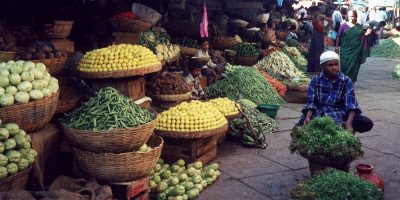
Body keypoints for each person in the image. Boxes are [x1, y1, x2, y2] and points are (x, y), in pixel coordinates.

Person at [297, 51, 373, 133]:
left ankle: (342, 124)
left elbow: (351, 105)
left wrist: (349, 123)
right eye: (330, 65)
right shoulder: (315, 80)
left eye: (336, 64)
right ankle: (334, 126)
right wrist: (308, 117)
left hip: (340, 113)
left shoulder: (346, 81)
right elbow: (311, 103)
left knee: (366, 123)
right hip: (320, 113)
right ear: (322, 66)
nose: (334, 68)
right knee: (298, 129)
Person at [336, 10, 373, 83]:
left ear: (356, 17)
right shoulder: (344, 25)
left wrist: (367, 33)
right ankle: (343, 80)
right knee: (344, 65)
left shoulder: (359, 27)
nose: (351, 18)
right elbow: (338, 36)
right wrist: (337, 46)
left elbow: (362, 37)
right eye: (350, 16)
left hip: (356, 50)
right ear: (347, 17)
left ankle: (351, 81)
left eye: (353, 16)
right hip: (345, 50)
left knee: (354, 65)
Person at [307, 6, 332, 72]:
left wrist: (326, 27)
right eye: (313, 12)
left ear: (317, 12)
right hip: (314, 35)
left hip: (319, 35)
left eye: (315, 12)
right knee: (312, 51)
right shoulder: (313, 17)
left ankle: (318, 69)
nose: (314, 13)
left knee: (318, 52)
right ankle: (311, 68)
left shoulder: (321, 17)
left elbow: (330, 20)